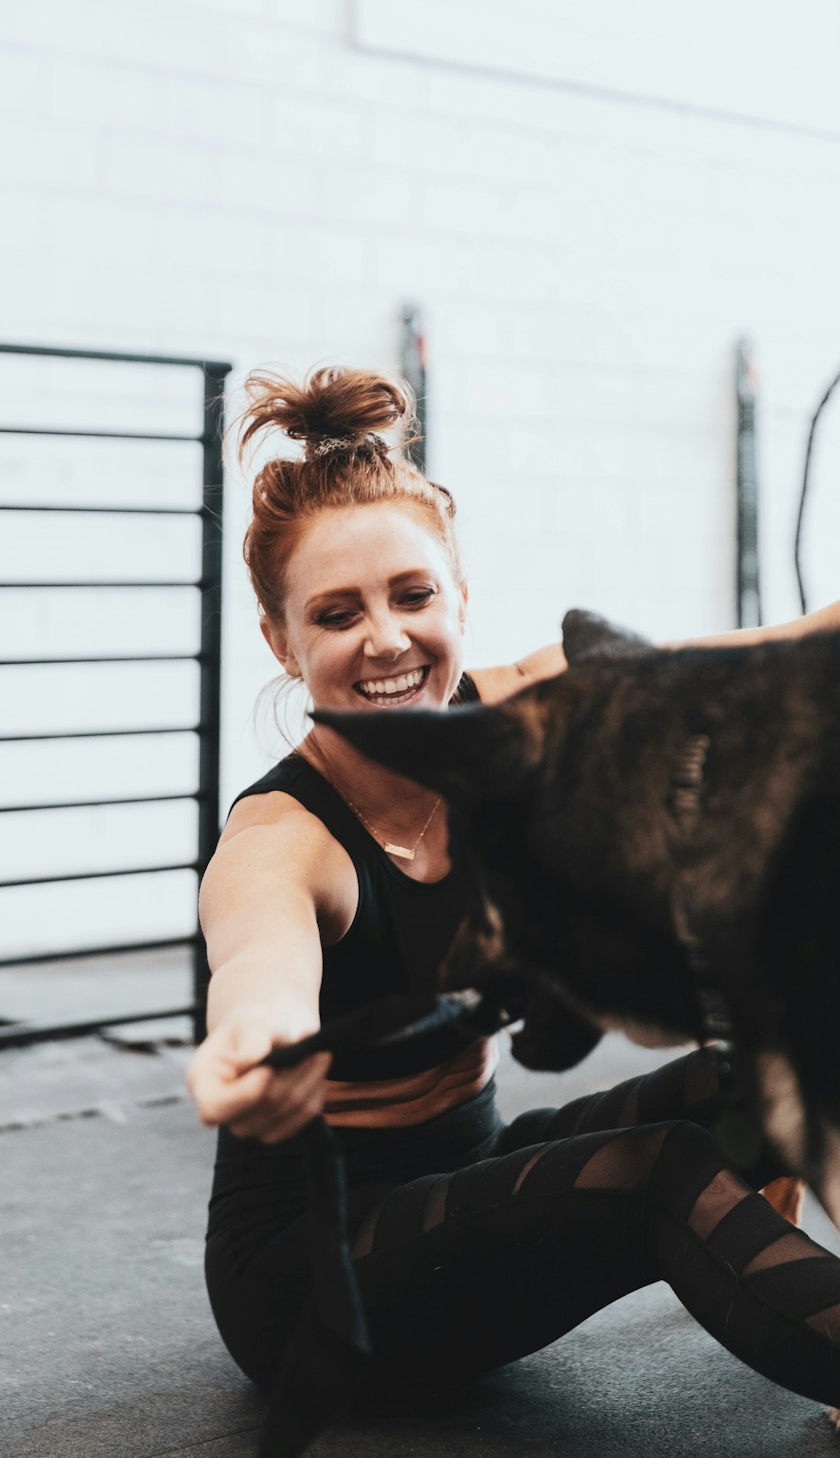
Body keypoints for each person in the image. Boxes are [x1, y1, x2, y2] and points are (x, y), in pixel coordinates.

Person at [187, 365, 840, 1434]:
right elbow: (259, 968)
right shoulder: (282, 841)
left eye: (412, 595)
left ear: (458, 594)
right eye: (337, 613)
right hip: (317, 1283)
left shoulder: (519, 711)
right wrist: (250, 1047)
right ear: (281, 641)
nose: (387, 640)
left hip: (465, 1179)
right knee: (660, 1169)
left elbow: (756, 656)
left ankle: (759, 1258)